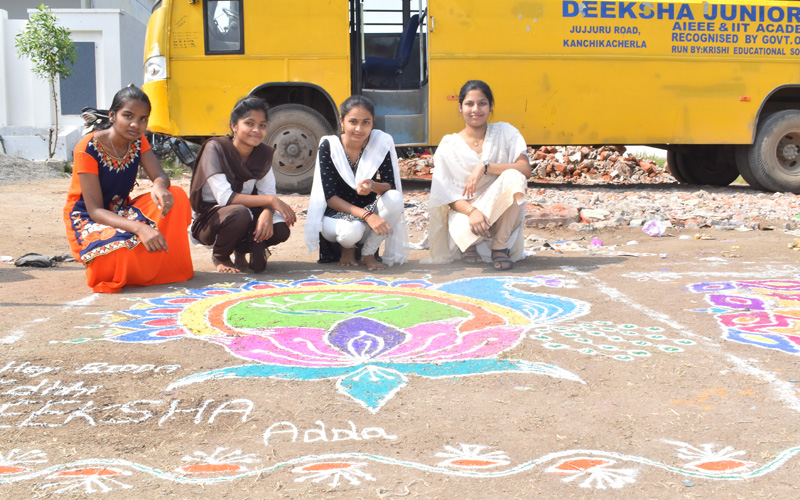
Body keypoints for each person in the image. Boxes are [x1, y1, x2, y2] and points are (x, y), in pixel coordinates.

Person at [63, 86, 194, 293]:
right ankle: (130, 262)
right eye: (128, 116)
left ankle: (165, 264)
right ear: (112, 115)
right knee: (114, 255)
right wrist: (141, 228)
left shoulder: (138, 141)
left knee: (175, 194)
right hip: (88, 218)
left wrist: (159, 186)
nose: (135, 124)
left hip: (122, 211)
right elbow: (95, 210)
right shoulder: (87, 148)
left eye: (143, 119)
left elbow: (160, 176)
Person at [426, 80, 532, 270]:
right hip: (465, 213)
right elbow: (446, 195)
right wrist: (472, 212)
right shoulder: (449, 145)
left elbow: (525, 170)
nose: (476, 109)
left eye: (482, 103)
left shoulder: (506, 132)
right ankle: (469, 245)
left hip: (501, 213)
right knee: (467, 229)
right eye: (469, 104)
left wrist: (485, 167)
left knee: (514, 177)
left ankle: (500, 247)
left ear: (491, 106)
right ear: (460, 108)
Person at [189, 97, 296, 273]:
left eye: (262, 125)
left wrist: (267, 213)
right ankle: (221, 256)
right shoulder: (215, 148)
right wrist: (271, 201)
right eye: (249, 123)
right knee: (239, 213)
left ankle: (241, 250)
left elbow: (267, 193)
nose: (257, 130)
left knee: (280, 229)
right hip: (212, 218)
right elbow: (225, 198)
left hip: (246, 213)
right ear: (234, 126)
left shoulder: (263, 154)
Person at [304, 95, 409, 271]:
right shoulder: (330, 146)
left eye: (366, 123)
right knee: (350, 232)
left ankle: (368, 253)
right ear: (342, 121)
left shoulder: (380, 143)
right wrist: (368, 216)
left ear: (372, 123)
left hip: (367, 215)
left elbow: (389, 185)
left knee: (395, 198)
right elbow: (330, 197)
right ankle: (347, 248)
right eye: (353, 122)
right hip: (335, 217)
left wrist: (372, 185)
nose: (359, 129)